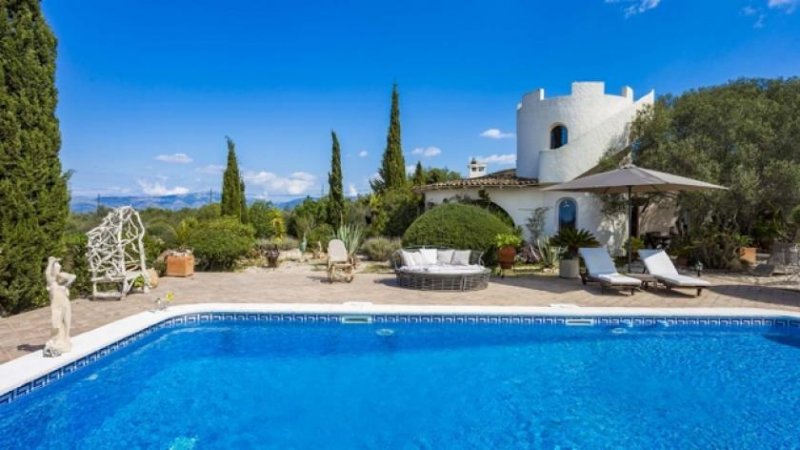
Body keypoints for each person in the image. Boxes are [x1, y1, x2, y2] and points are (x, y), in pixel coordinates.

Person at [43, 257, 76, 357]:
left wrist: (61, 276)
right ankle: (55, 341)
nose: (58, 270)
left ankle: (65, 339)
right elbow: (47, 274)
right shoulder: (51, 282)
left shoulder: (62, 282)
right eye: (56, 269)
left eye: (59, 268)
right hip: (56, 307)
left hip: (65, 304)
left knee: (66, 323)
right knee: (56, 324)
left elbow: (73, 276)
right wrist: (50, 263)